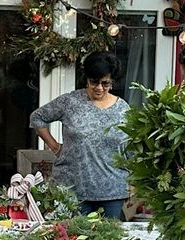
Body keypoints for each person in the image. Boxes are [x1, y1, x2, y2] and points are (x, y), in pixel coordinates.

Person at [29, 52, 130, 218]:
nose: (99, 88)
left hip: (112, 191)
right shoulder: (70, 102)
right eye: (94, 82)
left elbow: (130, 146)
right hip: (72, 188)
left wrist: (133, 183)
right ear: (87, 79)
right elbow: (37, 117)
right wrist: (55, 147)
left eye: (105, 83)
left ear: (112, 81)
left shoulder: (123, 109)